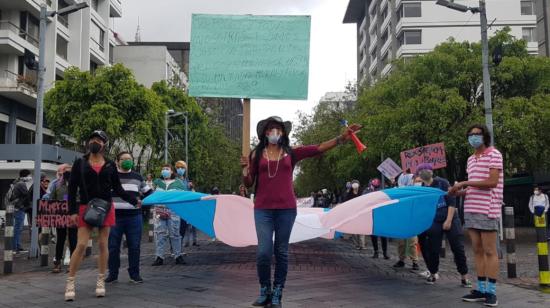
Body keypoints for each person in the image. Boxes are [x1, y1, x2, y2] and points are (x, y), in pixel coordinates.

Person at [241, 115, 360, 308]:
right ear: (265, 132)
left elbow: (318, 148)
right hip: (263, 209)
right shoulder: (256, 154)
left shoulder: (291, 152)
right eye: (271, 129)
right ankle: (265, 290)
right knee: (263, 252)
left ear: (283, 133)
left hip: (286, 209)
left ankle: (278, 292)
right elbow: (248, 183)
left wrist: (342, 138)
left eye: (278, 129)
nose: (275, 132)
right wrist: (245, 169)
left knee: (281, 251)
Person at [65, 130, 138, 301]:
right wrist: (72, 211)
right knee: (81, 244)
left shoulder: (110, 165)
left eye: (98, 140)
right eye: (92, 139)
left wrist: (134, 201)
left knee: (104, 244)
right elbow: (72, 188)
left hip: (106, 208)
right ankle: (70, 281)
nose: (94, 142)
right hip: (85, 207)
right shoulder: (80, 163)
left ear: (104, 144)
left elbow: (118, 188)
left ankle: (100, 281)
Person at [450, 124, 503, 307]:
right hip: (471, 207)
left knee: (490, 251)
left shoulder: (494, 154)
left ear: (484, 136)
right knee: (477, 250)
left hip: (488, 208)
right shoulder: (470, 159)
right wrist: (459, 192)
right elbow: (473, 188)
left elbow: (492, 182)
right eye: (471, 134)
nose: (474, 137)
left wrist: (464, 182)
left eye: (477, 134)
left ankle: (492, 292)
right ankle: (480, 289)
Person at [415, 163, 471, 287]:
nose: (424, 172)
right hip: (434, 220)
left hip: (450, 217)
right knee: (433, 248)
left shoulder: (442, 182)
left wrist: (449, 220)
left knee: (457, 247)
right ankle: (433, 273)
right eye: (421, 170)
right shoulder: (421, 189)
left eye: (427, 169)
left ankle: (464, 276)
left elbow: (451, 201)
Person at [106, 151, 152, 284]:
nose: (127, 161)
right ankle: (113, 274)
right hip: (115, 217)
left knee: (135, 246)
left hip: (134, 217)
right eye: (124, 159)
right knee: (113, 247)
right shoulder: (111, 176)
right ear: (117, 161)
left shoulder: (138, 177)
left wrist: (144, 201)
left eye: (129, 159)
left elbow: (148, 192)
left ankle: (134, 274)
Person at [151, 164, 187, 266]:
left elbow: (183, 197)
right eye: (163, 169)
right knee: (159, 234)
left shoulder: (178, 183)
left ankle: (178, 256)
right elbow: (150, 194)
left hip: (173, 211)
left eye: (167, 169)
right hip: (159, 211)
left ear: (171, 171)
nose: (164, 171)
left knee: (175, 234)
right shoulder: (157, 182)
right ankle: (159, 257)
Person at [49, 165, 77, 274]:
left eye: (69, 171)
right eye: (65, 171)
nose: (67, 173)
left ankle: (73, 264)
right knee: (60, 239)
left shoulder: (77, 184)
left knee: (73, 239)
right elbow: (51, 199)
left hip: (73, 216)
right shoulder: (56, 185)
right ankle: (57, 263)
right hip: (60, 216)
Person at [393, 170, 420, 271]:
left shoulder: (415, 191)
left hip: (412, 218)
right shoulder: (399, 191)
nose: (414, 180)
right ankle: (401, 260)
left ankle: (415, 261)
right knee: (401, 241)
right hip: (402, 218)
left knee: (413, 241)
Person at [174, 160, 197, 248]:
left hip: (185, 208)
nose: (180, 169)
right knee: (175, 230)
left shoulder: (187, 181)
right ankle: (174, 249)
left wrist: (191, 188)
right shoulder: (174, 181)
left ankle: (178, 249)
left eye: (182, 168)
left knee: (183, 229)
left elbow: (190, 194)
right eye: (178, 168)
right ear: (176, 169)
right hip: (176, 208)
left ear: (185, 169)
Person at [365, 178, 389, 259]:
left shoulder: (382, 191)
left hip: (382, 215)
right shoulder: (367, 190)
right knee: (374, 235)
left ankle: (385, 252)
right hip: (372, 215)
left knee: (383, 235)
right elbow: (363, 199)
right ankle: (376, 251)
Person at [9, 169, 33, 253]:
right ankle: (15, 248)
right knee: (18, 228)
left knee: (18, 228)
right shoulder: (21, 184)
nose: (30, 177)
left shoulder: (16, 182)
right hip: (19, 208)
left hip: (16, 207)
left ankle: (17, 247)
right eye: (29, 175)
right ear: (25, 176)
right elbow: (27, 195)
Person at [346, 180, 366, 250]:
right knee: (354, 230)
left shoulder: (361, 192)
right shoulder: (349, 194)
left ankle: (362, 245)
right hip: (352, 214)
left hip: (361, 213)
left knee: (361, 230)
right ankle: (356, 244)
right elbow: (347, 203)